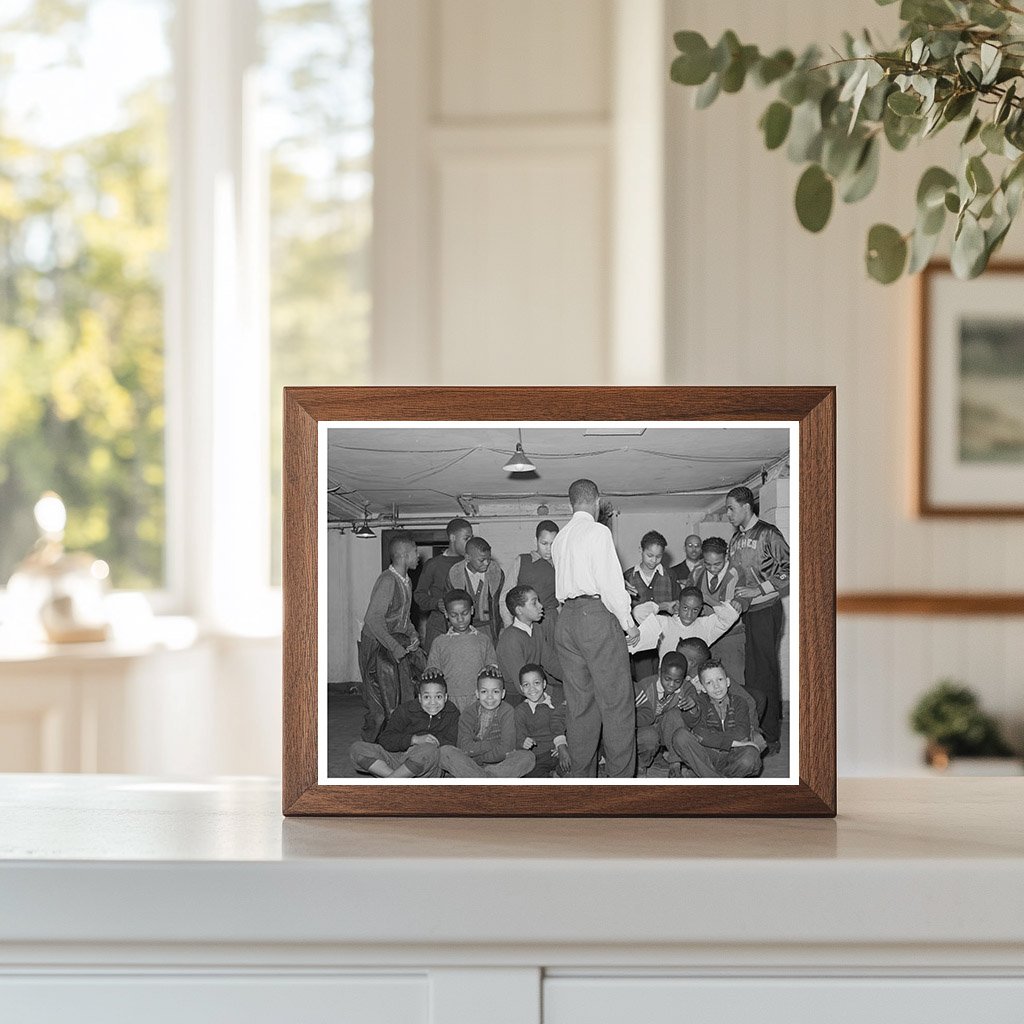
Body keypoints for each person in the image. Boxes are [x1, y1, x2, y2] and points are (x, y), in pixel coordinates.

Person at [552, 478, 640, 778]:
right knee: (616, 704)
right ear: (597, 501)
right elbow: (610, 584)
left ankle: (582, 783)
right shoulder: (599, 531)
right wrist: (629, 624)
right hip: (595, 616)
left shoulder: (560, 538)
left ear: (570, 504)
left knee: (579, 707)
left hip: (566, 620)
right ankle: (619, 785)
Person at [725, 485, 790, 752]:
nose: (728, 513)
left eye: (731, 508)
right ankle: (756, 730)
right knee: (750, 675)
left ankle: (772, 735)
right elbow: (732, 576)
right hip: (746, 613)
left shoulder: (768, 533)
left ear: (745, 507)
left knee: (765, 673)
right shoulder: (735, 539)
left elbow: (791, 568)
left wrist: (759, 589)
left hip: (766, 610)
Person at [357, 534, 424, 741]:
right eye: (415, 552)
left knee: (401, 697)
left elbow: (403, 618)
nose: (418, 556)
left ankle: (394, 743)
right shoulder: (388, 580)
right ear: (404, 555)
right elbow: (373, 619)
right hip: (377, 645)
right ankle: (370, 747)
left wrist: (412, 634)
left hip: (393, 644)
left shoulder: (406, 580)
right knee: (378, 705)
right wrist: (395, 647)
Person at [348, 671, 459, 778]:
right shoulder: (405, 710)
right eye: (427, 697)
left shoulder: (452, 713)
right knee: (357, 748)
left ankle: (394, 781)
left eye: (438, 697)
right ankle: (398, 779)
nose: (432, 702)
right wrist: (413, 740)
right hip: (399, 758)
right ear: (419, 698)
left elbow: (452, 743)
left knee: (429, 749)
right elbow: (385, 739)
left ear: (445, 697)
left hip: (426, 765)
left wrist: (427, 743)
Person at [666, 659, 763, 779]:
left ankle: (706, 777)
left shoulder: (740, 702)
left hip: (732, 754)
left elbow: (742, 733)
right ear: (703, 687)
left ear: (727, 682)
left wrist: (713, 738)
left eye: (720, 680)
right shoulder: (700, 702)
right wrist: (733, 743)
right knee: (680, 736)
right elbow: (699, 733)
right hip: (707, 754)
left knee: (751, 754)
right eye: (709, 682)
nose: (716, 686)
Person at [438, 666, 535, 778]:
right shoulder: (468, 713)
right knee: (444, 752)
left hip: (500, 764)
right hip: (469, 763)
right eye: (484, 691)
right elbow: (464, 747)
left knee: (528, 757)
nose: (490, 697)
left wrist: (480, 758)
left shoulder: (507, 711)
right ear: (477, 694)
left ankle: (481, 779)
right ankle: (488, 781)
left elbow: (506, 748)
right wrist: (492, 744)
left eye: (495, 691)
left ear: (503, 694)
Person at [504, 520, 562, 678]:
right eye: (544, 543)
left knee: (554, 664)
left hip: (551, 621)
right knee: (529, 667)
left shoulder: (561, 564)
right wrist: (511, 628)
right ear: (535, 541)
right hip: (525, 621)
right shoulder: (522, 561)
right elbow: (505, 596)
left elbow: (561, 602)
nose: (549, 549)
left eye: (553, 543)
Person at [426, 589, 497, 712]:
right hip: (450, 700)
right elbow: (432, 670)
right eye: (454, 615)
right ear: (446, 615)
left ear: (472, 611)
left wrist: (492, 668)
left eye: (464, 613)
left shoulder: (483, 639)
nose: (460, 619)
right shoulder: (439, 642)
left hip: (479, 699)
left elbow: (492, 666)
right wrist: (431, 670)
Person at [688, 535, 746, 687]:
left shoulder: (737, 572)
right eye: (708, 564)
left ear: (726, 556)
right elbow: (688, 595)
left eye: (717, 564)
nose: (712, 569)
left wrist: (707, 598)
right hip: (705, 636)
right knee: (707, 682)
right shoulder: (697, 572)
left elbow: (739, 605)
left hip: (731, 637)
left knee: (733, 681)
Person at [623, 529, 676, 682]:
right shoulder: (627, 577)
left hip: (666, 637)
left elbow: (676, 603)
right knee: (645, 680)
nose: (654, 560)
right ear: (641, 550)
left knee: (667, 677)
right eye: (650, 555)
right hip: (641, 641)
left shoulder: (670, 575)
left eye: (658, 556)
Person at [414, 518, 473, 655]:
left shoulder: (470, 563)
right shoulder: (433, 564)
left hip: (465, 624)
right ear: (453, 538)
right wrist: (436, 603)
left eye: (471, 538)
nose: (470, 543)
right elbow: (419, 595)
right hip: (439, 625)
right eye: (466, 538)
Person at [633, 651, 695, 775]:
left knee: (675, 715)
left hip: (666, 730)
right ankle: (640, 764)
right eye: (667, 679)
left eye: (677, 681)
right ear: (660, 671)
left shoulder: (685, 688)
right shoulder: (645, 686)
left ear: (683, 678)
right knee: (650, 737)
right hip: (645, 731)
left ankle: (675, 764)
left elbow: (693, 695)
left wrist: (693, 701)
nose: (672, 685)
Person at [446, 536, 505, 646]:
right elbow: (449, 609)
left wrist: (501, 630)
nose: (487, 563)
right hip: (462, 629)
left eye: (489, 558)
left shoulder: (497, 574)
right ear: (468, 558)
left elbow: (501, 605)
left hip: (489, 630)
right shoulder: (453, 575)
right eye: (482, 560)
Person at [514, 663, 570, 778]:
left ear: (544, 684)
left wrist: (563, 745)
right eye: (526, 685)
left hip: (558, 751)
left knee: (574, 769)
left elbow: (568, 726)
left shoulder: (556, 701)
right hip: (537, 757)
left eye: (536, 683)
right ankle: (551, 775)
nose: (532, 689)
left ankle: (558, 772)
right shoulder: (521, 710)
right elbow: (519, 736)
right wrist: (523, 742)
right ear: (521, 688)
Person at [496, 585, 549, 705]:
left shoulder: (537, 629)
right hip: (516, 698)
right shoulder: (510, 639)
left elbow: (550, 660)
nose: (541, 606)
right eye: (534, 603)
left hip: (534, 687)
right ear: (519, 610)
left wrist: (572, 678)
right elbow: (523, 685)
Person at [657, 586, 740, 662]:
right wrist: (662, 606)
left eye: (695, 610)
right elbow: (643, 617)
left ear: (700, 609)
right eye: (685, 608)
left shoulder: (705, 626)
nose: (689, 615)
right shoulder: (664, 623)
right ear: (678, 605)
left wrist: (707, 599)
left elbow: (731, 616)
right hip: (666, 676)